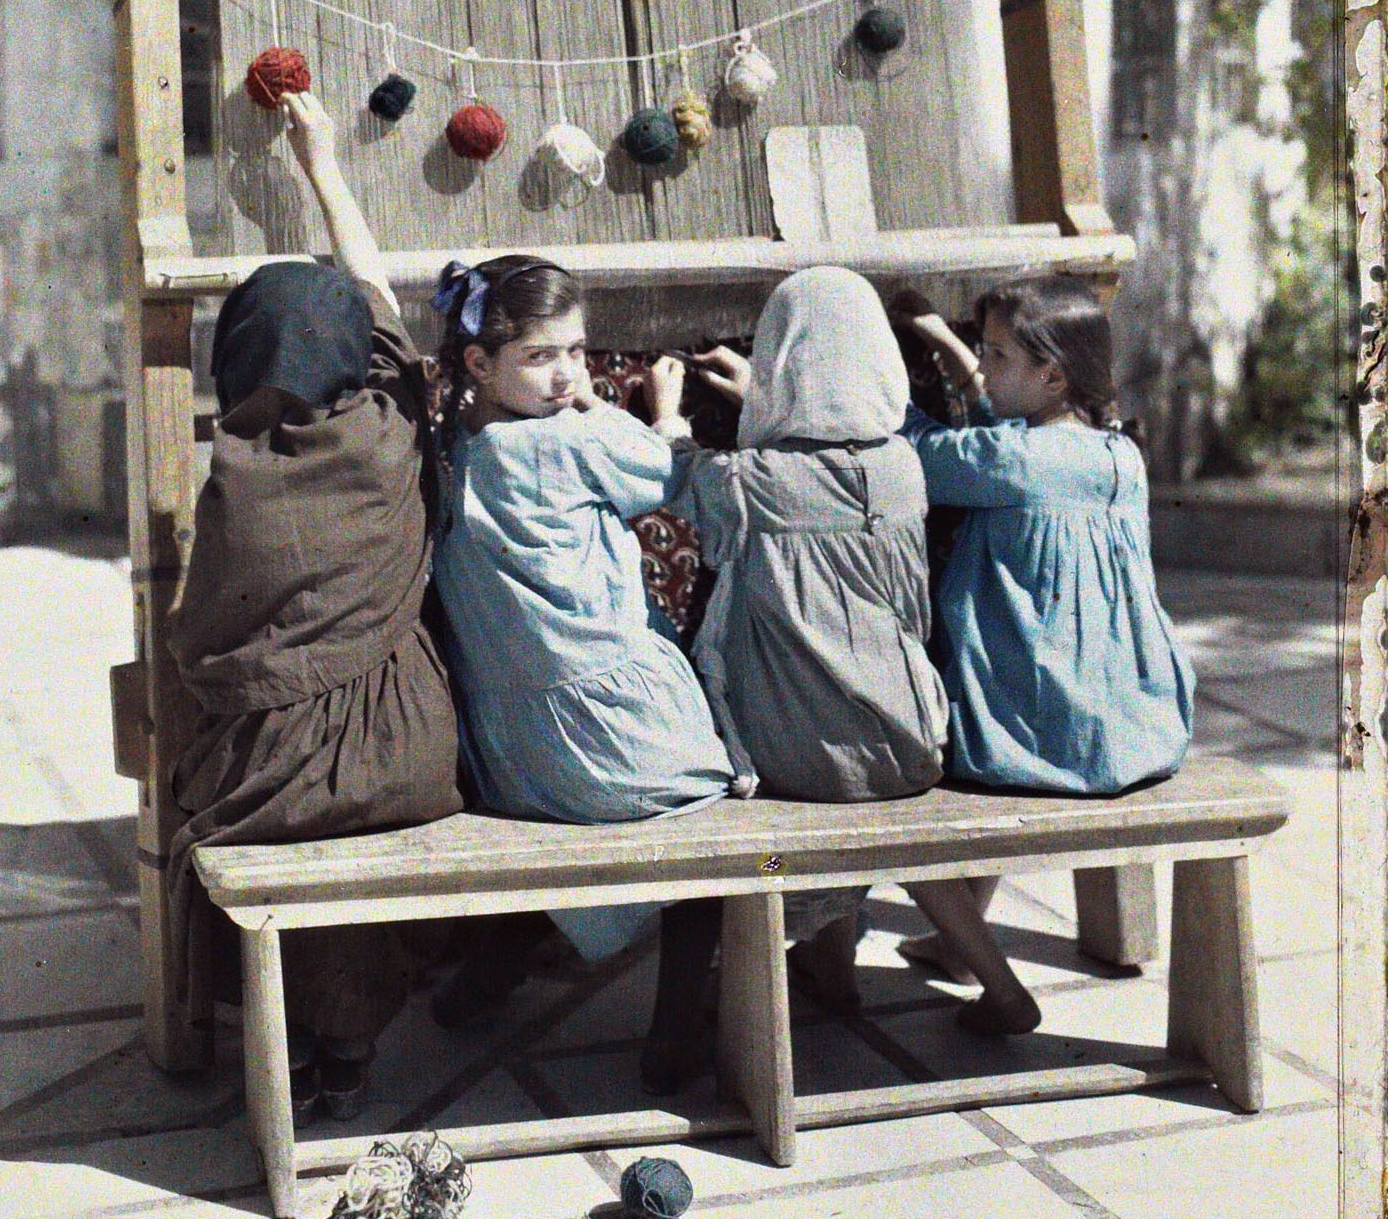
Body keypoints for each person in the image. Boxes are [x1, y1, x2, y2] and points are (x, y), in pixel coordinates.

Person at [645, 265, 1048, 1026]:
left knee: (805, 726)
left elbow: (683, 475)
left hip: (799, 756)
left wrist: (668, 412)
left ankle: (799, 974)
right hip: (909, 736)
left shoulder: (748, 481)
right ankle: (982, 985)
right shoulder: (901, 469)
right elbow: (823, 464)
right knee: (882, 809)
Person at [166, 95, 462, 1128]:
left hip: (277, 778)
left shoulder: (235, 470)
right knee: (352, 784)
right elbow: (378, 299)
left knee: (225, 774)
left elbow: (202, 643)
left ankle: (306, 1038)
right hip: (409, 756)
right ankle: (347, 1037)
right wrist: (322, 165)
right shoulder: (389, 431)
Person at [428, 252, 748, 1094]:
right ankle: (675, 1029)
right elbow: (674, 482)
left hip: (512, 756)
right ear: (479, 362)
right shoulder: (574, 438)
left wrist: (579, 398)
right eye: (540, 356)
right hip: (611, 740)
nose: (567, 372)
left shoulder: (453, 442)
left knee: (571, 827)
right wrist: (664, 410)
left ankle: (486, 977)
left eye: (576, 350)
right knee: (719, 808)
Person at [900, 274, 1196, 1030]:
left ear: (1051, 375)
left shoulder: (1008, 462)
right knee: (1028, 678)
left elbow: (918, 451)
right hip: (1132, 723)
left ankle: (976, 962)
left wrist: (868, 372)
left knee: (974, 724)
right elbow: (1004, 421)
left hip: (1038, 740)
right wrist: (944, 341)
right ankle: (957, 944)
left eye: (994, 355)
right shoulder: (1117, 456)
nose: (983, 365)